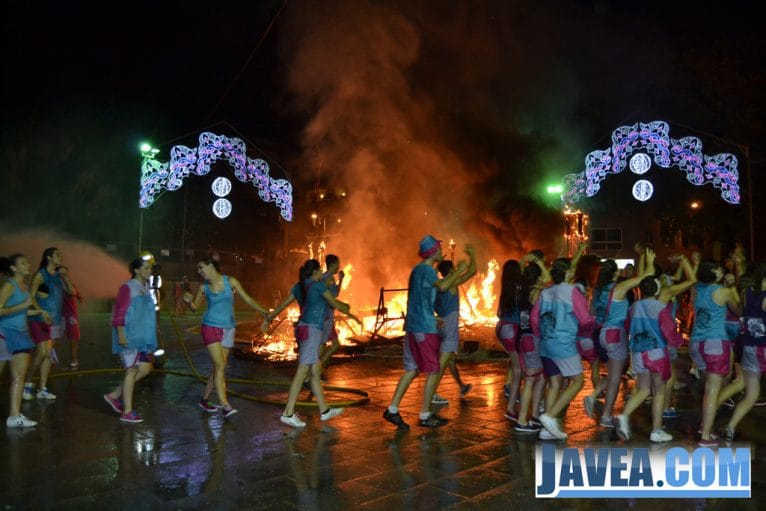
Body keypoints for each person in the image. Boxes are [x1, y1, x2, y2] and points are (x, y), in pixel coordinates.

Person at [382, 236, 468, 430]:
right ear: (432, 252)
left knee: (412, 369)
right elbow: (444, 286)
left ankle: (392, 410)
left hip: (413, 325)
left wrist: (430, 315)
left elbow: (422, 297)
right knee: (433, 370)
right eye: (439, 248)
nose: (441, 250)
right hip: (424, 328)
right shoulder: (428, 270)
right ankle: (425, 414)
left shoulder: (416, 270)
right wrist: (460, 271)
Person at [612, 255, 696, 443]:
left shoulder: (634, 306)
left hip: (638, 353)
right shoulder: (660, 307)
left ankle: (624, 415)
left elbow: (627, 325)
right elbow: (668, 330)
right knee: (659, 391)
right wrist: (678, 341)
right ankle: (656, 430)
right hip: (656, 352)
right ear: (657, 289)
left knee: (642, 389)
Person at [268, 259, 359, 428]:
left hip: (304, 329)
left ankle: (325, 411)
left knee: (315, 371)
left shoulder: (299, 286)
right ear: (316, 272)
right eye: (320, 271)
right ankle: (288, 413)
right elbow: (333, 302)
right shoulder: (317, 286)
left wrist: (269, 317)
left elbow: (282, 305)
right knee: (302, 372)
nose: (321, 274)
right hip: (311, 332)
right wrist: (346, 307)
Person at [185, 257, 270, 418]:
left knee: (219, 367)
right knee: (220, 365)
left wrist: (265, 311)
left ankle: (204, 400)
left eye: (201, 267)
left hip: (229, 328)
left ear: (211, 266)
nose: (199, 271)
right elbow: (195, 308)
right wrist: (189, 302)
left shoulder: (231, 282)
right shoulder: (204, 288)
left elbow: (248, 299)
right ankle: (225, 405)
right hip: (210, 327)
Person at [533, 258, 598, 439]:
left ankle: (547, 430)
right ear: (568, 273)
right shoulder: (573, 292)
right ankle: (550, 416)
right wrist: (588, 328)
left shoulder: (545, 292)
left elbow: (534, 318)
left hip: (546, 343)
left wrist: (541, 335)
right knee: (577, 381)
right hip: (564, 343)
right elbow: (585, 320)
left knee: (554, 383)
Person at [592, 248, 654, 427]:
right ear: (613, 273)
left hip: (603, 333)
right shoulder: (618, 288)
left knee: (613, 375)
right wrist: (648, 259)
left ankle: (600, 406)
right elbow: (646, 276)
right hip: (616, 334)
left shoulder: (600, 290)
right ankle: (606, 416)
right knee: (615, 378)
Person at [692, 260, 741, 446]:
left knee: (708, 388)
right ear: (711, 273)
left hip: (697, 342)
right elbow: (738, 310)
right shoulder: (723, 291)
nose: (721, 270)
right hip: (716, 343)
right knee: (713, 389)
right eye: (717, 268)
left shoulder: (697, 289)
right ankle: (705, 435)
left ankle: (705, 425)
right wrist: (733, 286)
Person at [103, 257, 157, 423]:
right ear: (136, 270)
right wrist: (121, 334)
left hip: (142, 336)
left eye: (150, 268)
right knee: (132, 370)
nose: (149, 271)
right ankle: (127, 411)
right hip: (129, 335)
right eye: (146, 268)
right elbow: (119, 313)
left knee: (146, 368)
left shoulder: (146, 287)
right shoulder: (127, 287)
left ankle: (114, 396)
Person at [719, 262, 766, 441]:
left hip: (748, 347)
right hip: (762, 348)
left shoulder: (747, 293)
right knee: (750, 390)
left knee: (751, 393)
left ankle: (730, 427)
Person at [25, 247, 74, 401]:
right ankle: (27, 383)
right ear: (48, 257)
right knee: (43, 352)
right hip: (38, 319)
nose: (61, 257)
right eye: (57, 255)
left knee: (47, 356)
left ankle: (42, 388)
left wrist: (65, 277)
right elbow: (31, 297)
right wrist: (41, 312)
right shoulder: (40, 275)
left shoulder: (59, 276)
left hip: (54, 320)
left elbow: (71, 292)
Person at [430, 245, 477, 405]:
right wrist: (472, 254)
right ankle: (431, 395)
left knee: (449, 360)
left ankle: (461, 386)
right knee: (442, 365)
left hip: (440, 325)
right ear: (450, 271)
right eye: (454, 268)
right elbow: (472, 272)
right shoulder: (452, 284)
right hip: (449, 325)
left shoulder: (437, 285)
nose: (457, 268)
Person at [0, 254, 43, 428]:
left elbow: (22, 311)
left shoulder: (24, 286)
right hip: (4, 333)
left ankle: (14, 416)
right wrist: (23, 306)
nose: (28, 264)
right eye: (23, 263)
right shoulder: (9, 285)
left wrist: (38, 313)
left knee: (19, 377)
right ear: (13, 268)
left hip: (21, 335)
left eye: (27, 261)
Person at [318, 254, 345, 376]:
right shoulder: (328, 279)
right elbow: (332, 298)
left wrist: (341, 280)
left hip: (326, 317)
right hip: (325, 317)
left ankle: (317, 367)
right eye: (338, 263)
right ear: (332, 264)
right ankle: (314, 368)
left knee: (333, 344)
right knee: (324, 345)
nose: (339, 266)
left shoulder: (326, 277)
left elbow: (335, 294)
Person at [60, 266, 83, 369]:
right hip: (59, 315)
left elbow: (74, 292)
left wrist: (79, 297)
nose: (64, 275)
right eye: (62, 273)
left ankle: (74, 360)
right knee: (53, 338)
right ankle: (50, 356)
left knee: (73, 338)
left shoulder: (69, 284)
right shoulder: (54, 285)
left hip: (70, 315)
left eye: (66, 273)